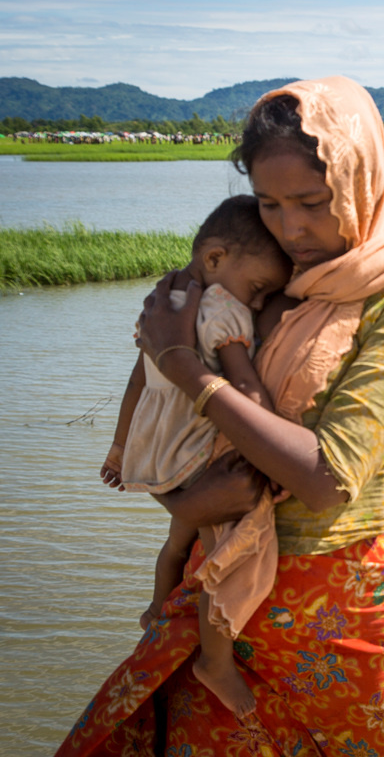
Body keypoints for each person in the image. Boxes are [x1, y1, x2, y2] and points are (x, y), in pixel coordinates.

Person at [56, 76, 384, 756]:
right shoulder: (250, 283)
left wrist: (186, 365)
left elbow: (329, 478)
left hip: (346, 601)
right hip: (223, 593)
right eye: (270, 204)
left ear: (363, 180)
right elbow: (179, 439)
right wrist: (180, 497)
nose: (292, 228)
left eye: (312, 201)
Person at [99, 195, 291, 717]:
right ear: (215, 259)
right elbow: (246, 385)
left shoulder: (165, 301)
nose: (257, 303)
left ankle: (157, 609)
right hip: (194, 451)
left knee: (177, 541)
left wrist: (119, 448)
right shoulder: (223, 309)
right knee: (224, 557)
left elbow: (138, 380)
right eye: (258, 289)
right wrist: (275, 439)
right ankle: (216, 661)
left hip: (155, 450)